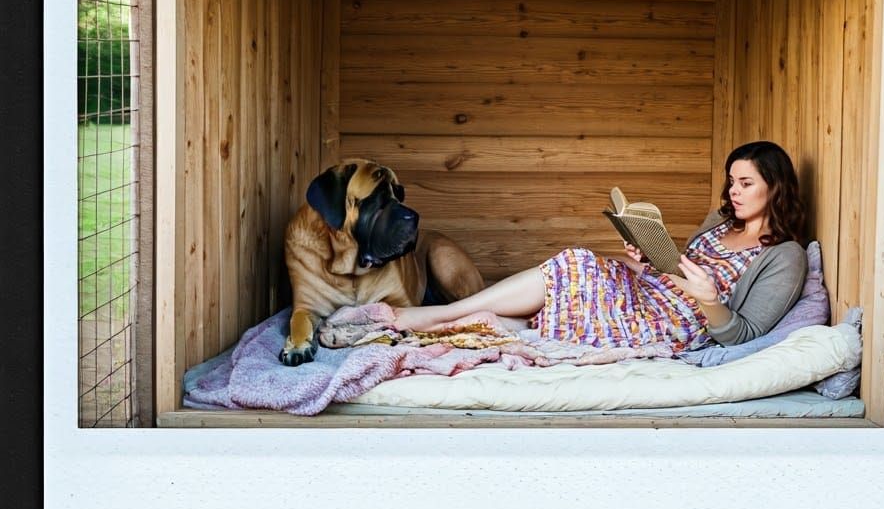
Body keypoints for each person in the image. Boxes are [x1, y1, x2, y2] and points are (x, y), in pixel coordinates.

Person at [325, 140, 808, 355]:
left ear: (775, 186)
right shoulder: (719, 222)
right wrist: (646, 261)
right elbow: (677, 270)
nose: (733, 192)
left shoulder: (785, 256)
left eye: (745, 183)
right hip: (650, 293)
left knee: (575, 264)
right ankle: (420, 325)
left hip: (674, 324)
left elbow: (743, 335)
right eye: (731, 181)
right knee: (570, 275)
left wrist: (709, 300)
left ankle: (422, 318)